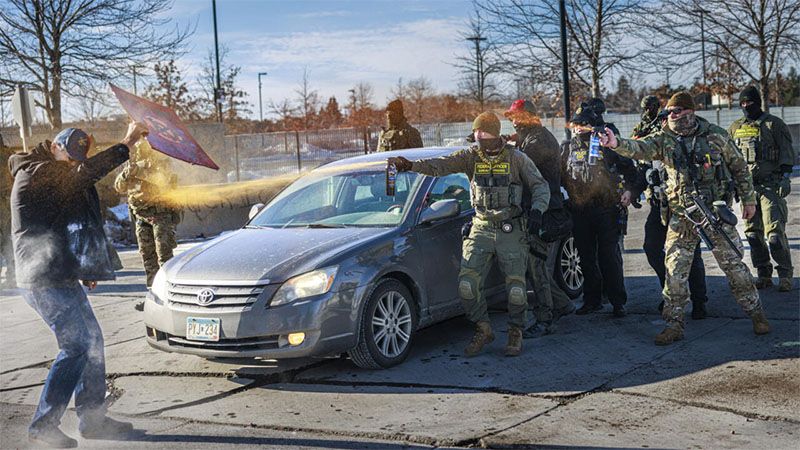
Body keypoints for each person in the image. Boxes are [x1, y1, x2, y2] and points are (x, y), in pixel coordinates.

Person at [9, 122, 148, 447]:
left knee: (93, 341)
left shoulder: (55, 173)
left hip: (60, 273)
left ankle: (92, 418)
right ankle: (43, 424)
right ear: (55, 147)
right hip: (41, 278)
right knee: (75, 346)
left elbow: (70, 222)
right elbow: (84, 175)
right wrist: (126, 142)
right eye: (69, 158)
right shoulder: (35, 172)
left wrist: (84, 265)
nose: (73, 165)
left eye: (76, 160)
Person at [600, 91, 769, 345]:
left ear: (689, 112)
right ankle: (674, 324)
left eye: (676, 112)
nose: (671, 118)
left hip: (714, 213)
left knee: (734, 266)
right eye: (669, 113)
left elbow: (739, 168)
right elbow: (640, 148)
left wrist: (749, 200)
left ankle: (756, 314)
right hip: (681, 216)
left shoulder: (715, 135)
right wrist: (615, 143)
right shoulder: (664, 139)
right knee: (674, 271)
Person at [388, 112, 550, 357]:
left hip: (510, 227)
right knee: (467, 285)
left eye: (481, 132)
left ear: (492, 133)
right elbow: (439, 165)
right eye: (476, 132)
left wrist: (538, 211)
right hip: (481, 226)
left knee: (516, 287)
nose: (477, 136)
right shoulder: (470, 157)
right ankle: (483, 328)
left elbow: (540, 185)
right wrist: (409, 165)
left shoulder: (517, 158)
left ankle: (516, 330)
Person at [632, 95, 709, 319]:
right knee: (652, 247)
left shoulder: (684, 140)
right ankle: (670, 293)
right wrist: (634, 192)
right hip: (659, 204)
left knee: (690, 253)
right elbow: (644, 170)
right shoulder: (654, 141)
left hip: (683, 205)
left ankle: (699, 300)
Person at [562, 100, 639, 318]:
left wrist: (630, 192)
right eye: (575, 124)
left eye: (582, 124)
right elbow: (557, 176)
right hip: (579, 211)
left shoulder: (606, 145)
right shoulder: (567, 148)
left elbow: (631, 170)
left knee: (609, 257)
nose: (578, 128)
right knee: (585, 258)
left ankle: (617, 302)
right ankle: (592, 300)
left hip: (606, 209)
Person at [503, 99, 574, 335]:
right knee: (534, 268)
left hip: (542, 212)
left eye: (515, 117)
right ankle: (562, 304)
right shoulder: (532, 137)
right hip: (533, 210)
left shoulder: (539, 141)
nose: (512, 122)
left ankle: (545, 319)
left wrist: (499, 146)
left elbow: (519, 162)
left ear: (527, 117)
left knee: (537, 268)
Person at [729, 86, 796, 292]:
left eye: (749, 102)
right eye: (742, 103)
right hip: (747, 190)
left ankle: (785, 274)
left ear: (757, 102)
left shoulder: (773, 124)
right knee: (752, 234)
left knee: (774, 234)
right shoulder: (735, 128)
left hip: (770, 186)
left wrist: (785, 177)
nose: (746, 106)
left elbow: (787, 153)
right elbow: (729, 159)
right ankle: (763, 273)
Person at [114, 139, 180, 301]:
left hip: (160, 216)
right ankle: (154, 294)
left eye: (141, 149)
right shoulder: (131, 165)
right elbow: (119, 187)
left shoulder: (161, 163)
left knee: (164, 255)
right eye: (136, 150)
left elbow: (163, 183)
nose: (138, 152)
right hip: (141, 216)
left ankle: (170, 293)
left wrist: (140, 171)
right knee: (147, 256)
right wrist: (126, 174)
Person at [1, 134, 14, 288]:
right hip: (9, 201)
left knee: (6, 240)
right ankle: (12, 274)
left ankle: (12, 275)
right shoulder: (9, 155)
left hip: (4, 201)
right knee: (9, 239)